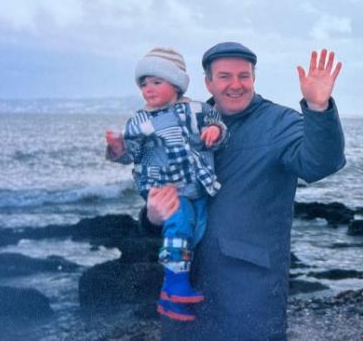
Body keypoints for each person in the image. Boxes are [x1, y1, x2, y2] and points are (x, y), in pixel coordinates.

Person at [140, 42, 345, 340]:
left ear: (254, 78)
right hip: (186, 283)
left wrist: (318, 108)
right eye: (224, 76)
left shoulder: (279, 123)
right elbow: (163, 194)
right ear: (208, 82)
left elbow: (321, 163)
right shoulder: (185, 124)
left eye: (243, 76)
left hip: (250, 292)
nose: (235, 85)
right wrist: (152, 218)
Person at [106, 47, 227, 322]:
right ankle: (174, 284)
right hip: (166, 187)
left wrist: (215, 131)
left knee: (198, 229)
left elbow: (219, 125)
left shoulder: (197, 109)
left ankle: (175, 296)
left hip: (197, 184)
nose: (148, 89)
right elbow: (132, 154)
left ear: (176, 85)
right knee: (179, 224)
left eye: (156, 82)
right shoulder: (140, 121)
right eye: (144, 84)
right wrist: (117, 148)